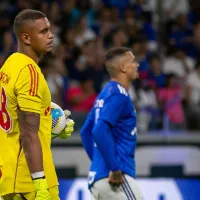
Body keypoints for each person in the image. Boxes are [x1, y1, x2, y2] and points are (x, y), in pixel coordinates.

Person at [0, 9, 74, 200]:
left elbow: (15, 120)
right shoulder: (29, 72)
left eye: (49, 30)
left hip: (11, 176)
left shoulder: (9, 65)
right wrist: (40, 183)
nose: (51, 36)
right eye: (43, 31)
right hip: (29, 181)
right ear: (26, 38)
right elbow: (28, 133)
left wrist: (51, 127)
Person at [80, 47, 143, 200]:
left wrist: (98, 162)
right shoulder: (119, 95)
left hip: (99, 178)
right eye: (133, 61)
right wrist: (113, 167)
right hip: (116, 177)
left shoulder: (105, 93)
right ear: (123, 67)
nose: (137, 65)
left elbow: (85, 131)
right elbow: (99, 130)